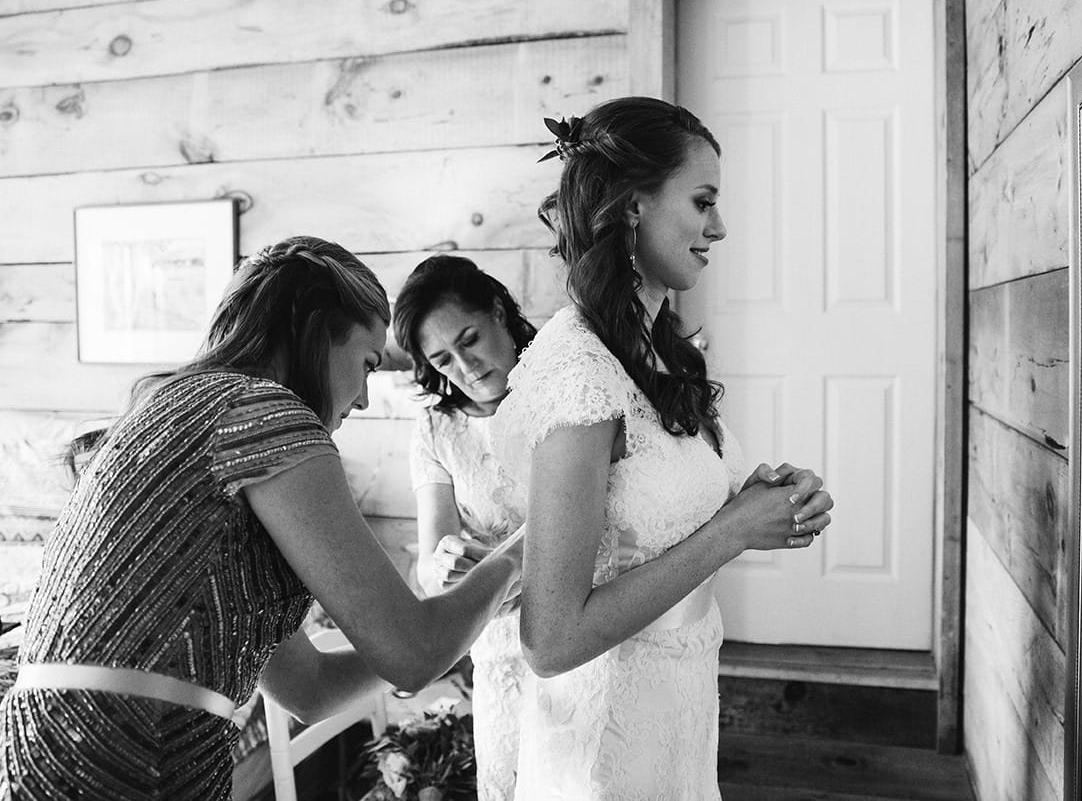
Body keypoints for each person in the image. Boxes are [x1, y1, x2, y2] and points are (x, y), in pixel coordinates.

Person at [0, 237, 522, 801]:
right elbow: (410, 653)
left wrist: (461, 628)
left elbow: (308, 688)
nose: (365, 399)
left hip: (46, 747)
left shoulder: (175, 408)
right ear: (317, 330)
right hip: (129, 750)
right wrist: (525, 547)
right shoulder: (267, 417)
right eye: (368, 363)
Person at [492, 97, 835, 798]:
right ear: (631, 206)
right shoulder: (578, 371)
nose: (719, 226)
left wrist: (756, 500)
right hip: (604, 742)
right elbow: (550, 640)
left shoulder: (655, 345)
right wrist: (732, 530)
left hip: (674, 711)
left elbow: (656, 513)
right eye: (702, 201)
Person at [391, 255, 535, 800]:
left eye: (470, 339)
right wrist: (444, 563)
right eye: (443, 360)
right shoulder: (436, 429)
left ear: (499, 312)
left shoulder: (564, 393)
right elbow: (432, 572)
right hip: (498, 647)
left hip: (586, 622)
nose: (466, 366)